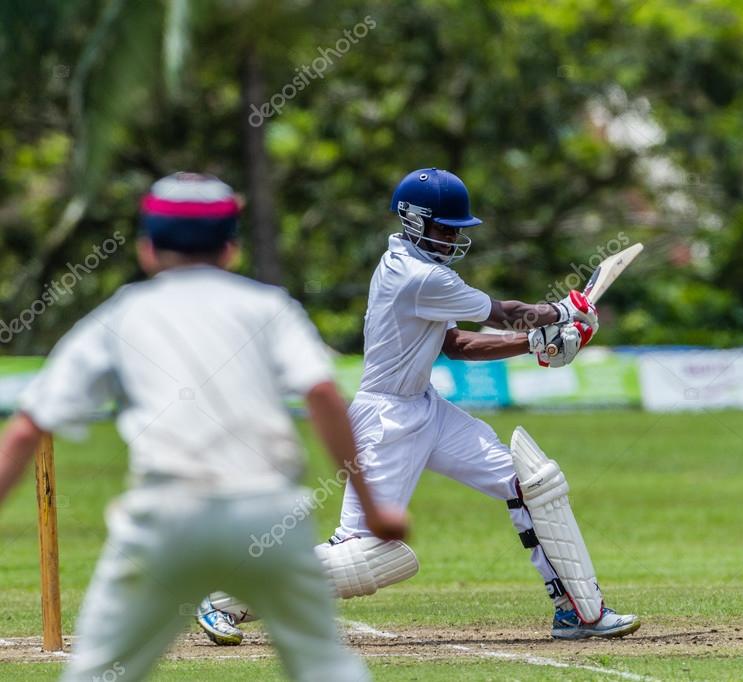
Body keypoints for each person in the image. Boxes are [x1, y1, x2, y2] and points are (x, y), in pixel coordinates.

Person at [202, 168, 639, 643]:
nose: (452, 238)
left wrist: (535, 342)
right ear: (414, 221)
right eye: (444, 229)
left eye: (456, 230)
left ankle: (579, 611)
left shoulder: (423, 268)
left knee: (530, 482)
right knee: (367, 553)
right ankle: (226, 595)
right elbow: (505, 313)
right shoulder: (418, 276)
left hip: (426, 408)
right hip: (386, 419)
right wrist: (564, 312)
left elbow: (457, 345)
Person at [0, 172, 406, 681]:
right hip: (268, 515)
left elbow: (26, 429)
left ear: (147, 249)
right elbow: (323, 395)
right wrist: (373, 509)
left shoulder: (122, 314)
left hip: (167, 518)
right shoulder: (270, 307)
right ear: (231, 249)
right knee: (327, 670)